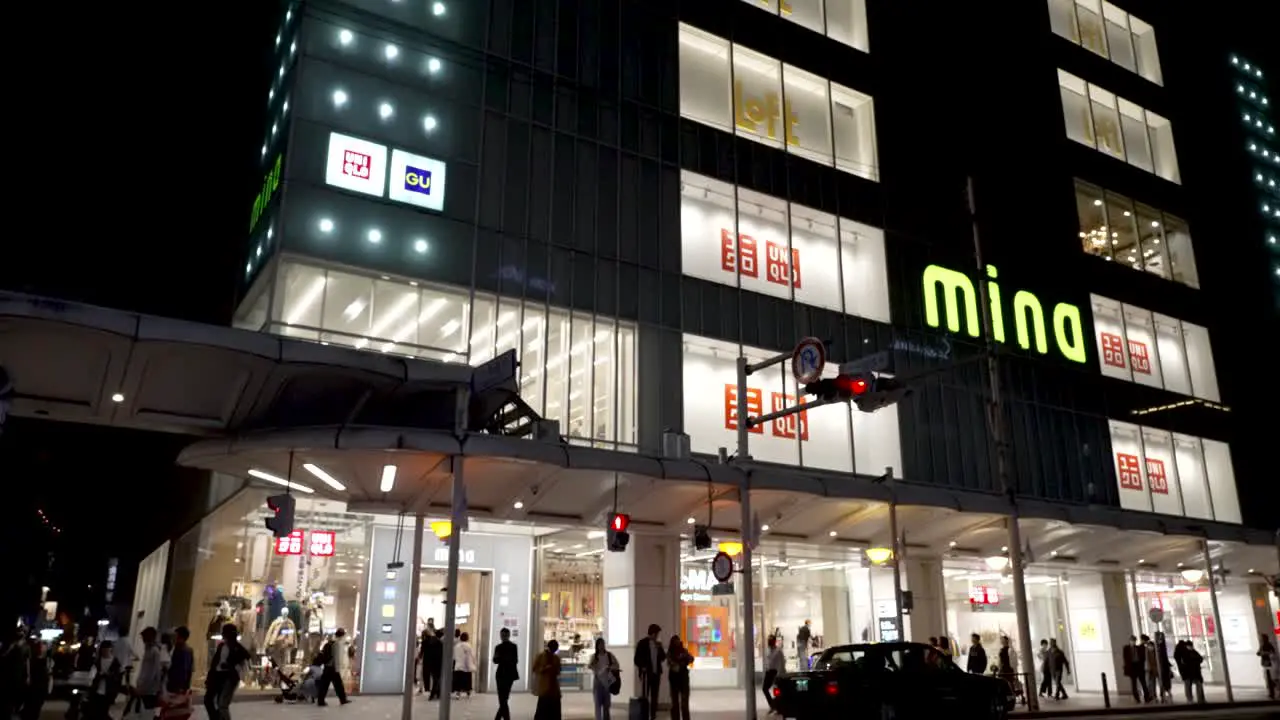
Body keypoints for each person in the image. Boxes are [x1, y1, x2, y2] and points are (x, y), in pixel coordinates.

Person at [204, 623, 249, 720]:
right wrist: (209, 677)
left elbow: (245, 657)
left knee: (222, 704)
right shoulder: (221, 646)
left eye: (225, 634)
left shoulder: (237, 648)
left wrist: (231, 666)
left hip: (228, 677)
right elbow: (215, 662)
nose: (224, 636)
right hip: (217, 675)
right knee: (208, 700)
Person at [633, 624, 665, 720]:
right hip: (646, 675)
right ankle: (644, 715)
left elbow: (663, 658)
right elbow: (636, 659)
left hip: (656, 674)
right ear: (653, 633)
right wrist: (642, 666)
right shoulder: (642, 643)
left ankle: (653, 716)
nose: (658, 636)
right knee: (645, 696)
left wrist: (660, 648)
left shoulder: (658, 644)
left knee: (655, 696)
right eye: (657, 633)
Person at [85, 642, 123, 720]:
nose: (104, 652)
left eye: (106, 650)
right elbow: (93, 673)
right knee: (95, 709)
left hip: (109, 690)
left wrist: (109, 676)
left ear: (110, 650)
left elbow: (118, 676)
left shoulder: (115, 662)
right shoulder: (98, 661)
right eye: (103, 650)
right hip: (97, 688)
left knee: (104, 709)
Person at [0, 627, 31, 720]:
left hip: (20, 671)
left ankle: (17, 708)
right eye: (19, 631)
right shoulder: (13, 644)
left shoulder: (26, 646)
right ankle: (11, 709)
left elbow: (28, 661)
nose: (21, 634)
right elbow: (4, 655)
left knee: (18, 691)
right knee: (11, 691)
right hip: (11, 671)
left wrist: (29, 675)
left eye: (22, 632)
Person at [132, 628, 164, 716]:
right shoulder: (148, 650)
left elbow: (153, 672)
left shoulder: (154, 651)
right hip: (144, 688)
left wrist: (143, 687)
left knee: (147, 713)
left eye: (143, 637)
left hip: (149, 690)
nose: (142, 640)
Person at [316, 628, 351, 706]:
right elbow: (336, 657)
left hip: (327, 667)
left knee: (324, 685)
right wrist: (338, 668)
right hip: (333, 668)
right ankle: (343, 699)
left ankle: (321, 701)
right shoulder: (337, 643)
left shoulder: (331, 642)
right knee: (338, 685)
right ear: (342, 635)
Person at [587, 637, 618, 720]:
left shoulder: (609, 655)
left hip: (607, 682)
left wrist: (610, 668)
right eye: (600, 644)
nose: (601, 646)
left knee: (606, 704)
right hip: (598, 682)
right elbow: (589, 666)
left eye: (603, 644)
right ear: (597, 646)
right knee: (597, 704)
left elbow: (616, 665)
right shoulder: (594, 656)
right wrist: (594, 666)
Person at [493, 628, 519, 720]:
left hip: (507, 675)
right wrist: (505, 659)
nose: (503, 637)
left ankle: (501, 718)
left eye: (504, 635)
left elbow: (515, 660)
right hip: (502, 675)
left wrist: (502, 658)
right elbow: (495, 660)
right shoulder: (499, 647)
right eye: (502, 635)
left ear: (508, 635)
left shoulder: (512, 647)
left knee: (503, 698)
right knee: (503, 699)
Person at [531, 639, 562, 720]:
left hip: (553, 688)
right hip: (544, 687)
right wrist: (544, 669)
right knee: (542, 710)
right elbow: (534, 668)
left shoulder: (556, 658)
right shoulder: (541, 656)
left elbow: (558, 671)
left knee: (554, 711)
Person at [666, 636, 693, 720]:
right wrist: (680, 662)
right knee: (675, 703)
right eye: (675, 641)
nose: (677, 643)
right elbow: (671, 663)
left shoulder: (684, 651)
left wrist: (683, 661)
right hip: (674, 680)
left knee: (684, 703)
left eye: (678, 641)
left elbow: (691, 658)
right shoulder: (670, 652)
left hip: (683, 679)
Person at [20, 641, 49, 720]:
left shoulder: (46, 661)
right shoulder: (31, 661)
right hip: (33, 689)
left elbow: (47, 676)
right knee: (31, 710)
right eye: (42, 647)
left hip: (40, 689)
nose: (43, 649)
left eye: (44, 647)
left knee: (35, 710)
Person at [762, 636, 785, 715]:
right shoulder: (768, 650)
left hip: (775, 672)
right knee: (764, 689)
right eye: (769, 641)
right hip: (769, 672)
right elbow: (767, 661)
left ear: (774, 641)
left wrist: (779, 674)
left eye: (771, 641)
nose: (769, 642)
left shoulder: (778, 651)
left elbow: (781, 663)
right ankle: (773, 705)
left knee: (777, 691)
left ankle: (777, 707)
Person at [1122, 635, 1148, 703]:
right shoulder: (1126, 648)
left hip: (1139, 666)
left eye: (1134, 641)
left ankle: (1147, 697)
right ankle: (1137, 698)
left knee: (1143, 682)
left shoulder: (1138, 648)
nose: (1133, 642)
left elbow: (1142, 657)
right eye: (1132, 641)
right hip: (1132, 667)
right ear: (1130, 641)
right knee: (1134, 684)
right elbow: (1125, 658)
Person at [453, 631, 476, 699]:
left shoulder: (457, 646)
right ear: (467, 638)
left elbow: (454, 656)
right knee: (467, 680)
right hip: (466, 666)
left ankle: (458, 693)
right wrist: (473, 663)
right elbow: (472, 656)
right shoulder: (469, 646)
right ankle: (468, 692)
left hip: (458, 666)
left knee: (458, 681)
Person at [423, 629, 444, 700]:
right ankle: (435, 693)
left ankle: (435, 693)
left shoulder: (427, 642)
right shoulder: (439, 642)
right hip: (438, 663)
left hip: (430, 663)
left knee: (435, 679)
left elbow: (425, 653)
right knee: (436, 679)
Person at [1259, 634, 1279, 700]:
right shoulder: (1263, 645)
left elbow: (1273, 653)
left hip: (1270, 664)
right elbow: (1258, 653)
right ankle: (1271, 693)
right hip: (1266, 664)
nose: (1261, 640)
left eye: (1262, 638)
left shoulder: (1268, 645)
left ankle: (1273, 693)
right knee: (1269, 679)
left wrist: (1265, 653)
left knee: (1273, 679)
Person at [1154, 632, 1173, 701]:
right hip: (1161, 666)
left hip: (1164, 666)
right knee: (1162, 680)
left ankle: (1166, 691)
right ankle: (1164, 692)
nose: (1160, 640)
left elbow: (1164, 657)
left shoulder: (1161, 647)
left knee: (1165, 679)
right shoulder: (1158, 647)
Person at [1141, 634, 1158, 703]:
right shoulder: (1146, 652)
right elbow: (1146, 661)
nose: (1151, 647)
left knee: (1153, 683)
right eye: (1150, 646)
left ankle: (1153, 695)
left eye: (1152, 646)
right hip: (1148, 669)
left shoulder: (1154, 653)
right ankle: (1150, 695)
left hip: (1153, 669)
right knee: (1149, 683)